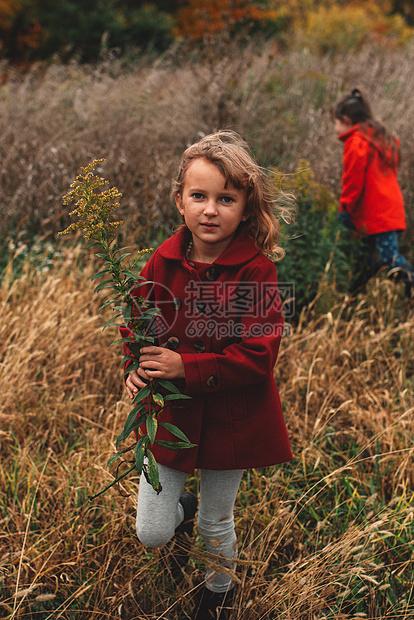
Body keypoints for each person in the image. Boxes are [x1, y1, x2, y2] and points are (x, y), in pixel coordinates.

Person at [120, 130, 292, 619]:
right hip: (171, 413)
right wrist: (135, 364)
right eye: (199, 196)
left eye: (226, 199)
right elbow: (136, 319)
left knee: (217, 524)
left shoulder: (254, 272)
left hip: (232, 418)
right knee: (152, 531)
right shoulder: (163, 259)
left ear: (244, 207)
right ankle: (180, 511)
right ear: (180, 201)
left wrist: (186, 366)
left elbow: (259, 354)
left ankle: (217, 595)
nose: (211, 210)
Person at [333, 88, 413, 298]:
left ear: (347, 120)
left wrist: (345, 209)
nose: (335, 128)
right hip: (386, 210)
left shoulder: (356, 142)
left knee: (389, 259)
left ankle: (410, 290)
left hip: (376, 213)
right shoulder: (382, 137)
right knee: (364, 260)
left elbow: (352, 181)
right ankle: (356, 299)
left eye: (336, 122)